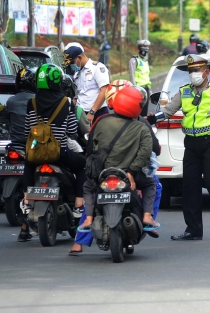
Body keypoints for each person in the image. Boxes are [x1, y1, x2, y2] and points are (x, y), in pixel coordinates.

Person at [147, 54, 210, 241]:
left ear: (206, 72)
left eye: (196, 70)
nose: (193, 74)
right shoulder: (184, 91)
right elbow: (169, 111)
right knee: (190, 185)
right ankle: (193, 229)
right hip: (192, 142)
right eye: (190, 71)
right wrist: (151, 119)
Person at [69, 79, 163, 255]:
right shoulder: (141, 124)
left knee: (92, 189)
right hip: (131, 173)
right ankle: (148, 218)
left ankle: (80, 240)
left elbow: (90, 148)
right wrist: (131, 172)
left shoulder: (101, 120)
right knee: (154, 185)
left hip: (102, 173)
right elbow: (151, 150)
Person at [17, 63, 87, 242]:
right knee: (83, 165)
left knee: (28, 163)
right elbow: (72, 130)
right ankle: (79, 204)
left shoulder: (31, 102)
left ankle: (26, 200)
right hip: (59, 153)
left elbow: (27, 130)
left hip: (36, 152)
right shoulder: (66, 102)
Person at [0, 68, 36, 224]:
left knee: (2, 174)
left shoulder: (11, 101)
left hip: (15, 145)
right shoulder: (37, 100)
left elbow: (8, 122)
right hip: (33, 146)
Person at [64, 45, 111, 125]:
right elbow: (77, 96)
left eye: (72, 62)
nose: (71, 65)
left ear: (79, 57)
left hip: (97, 113)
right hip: (81, 114)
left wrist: (92, 112)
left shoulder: (97, 68)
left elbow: (104, 91)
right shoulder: (77, 74)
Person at [128, 40, 152, 116]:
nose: (144, 52)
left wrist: (150, 92)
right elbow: (132, 76)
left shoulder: (145, 62)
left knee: (144, 113)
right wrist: (135, 90)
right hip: (138, 89)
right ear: (138, 49)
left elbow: (147, 77)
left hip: (146, 90)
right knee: (137, 113)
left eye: (146, 50)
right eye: (142, 50)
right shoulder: (134, 60)